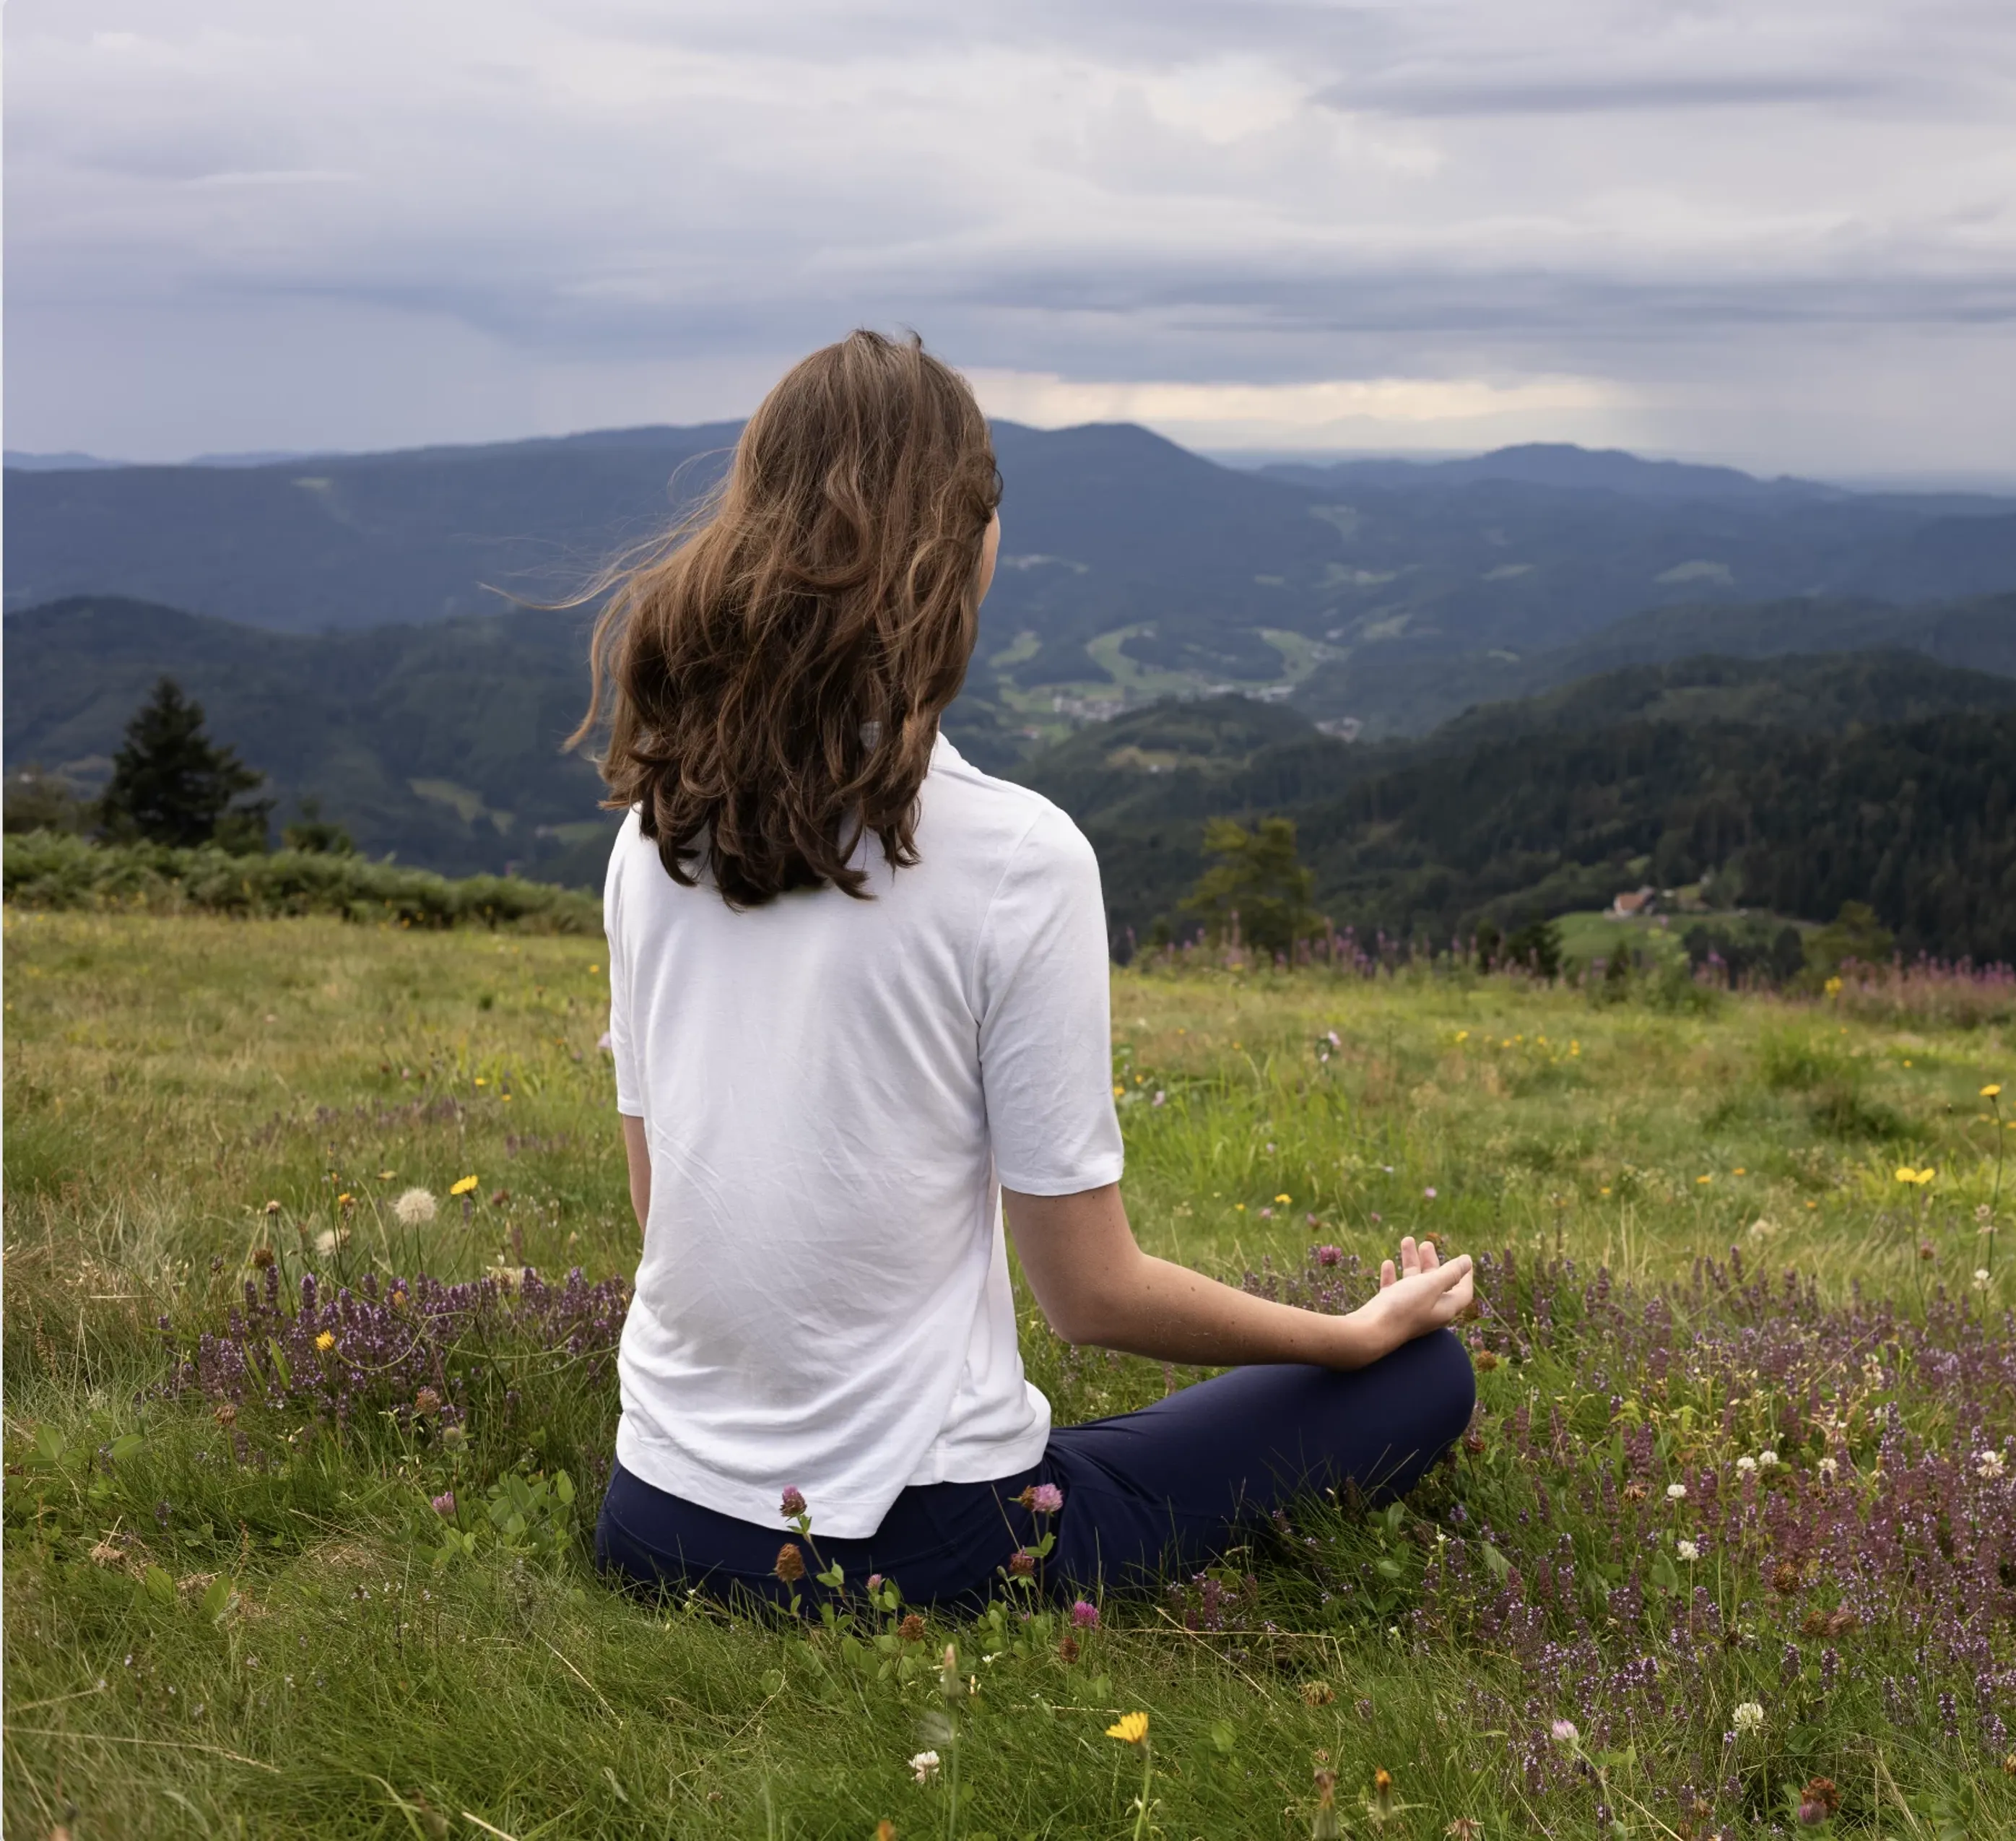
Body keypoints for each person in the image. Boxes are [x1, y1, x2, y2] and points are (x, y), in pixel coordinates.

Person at [576, 329, 1477, 1613]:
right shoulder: (1017, 858)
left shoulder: (655, 830)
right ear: (969, 546)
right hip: (909, 1551)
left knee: (1094, 1455)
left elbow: (667, 1211)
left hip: (655, 1514)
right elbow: (1090, 1295)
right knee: (1424, 1381)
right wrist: (1345, 1335)